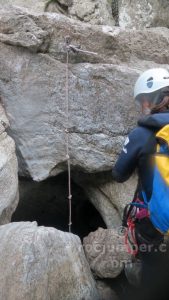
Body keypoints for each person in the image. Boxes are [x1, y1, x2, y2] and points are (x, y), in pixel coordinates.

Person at [112, 68, 169, 300]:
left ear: (148, 99)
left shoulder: (141, 133)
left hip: (155, 230)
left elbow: (119, 174)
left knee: (154, 281)